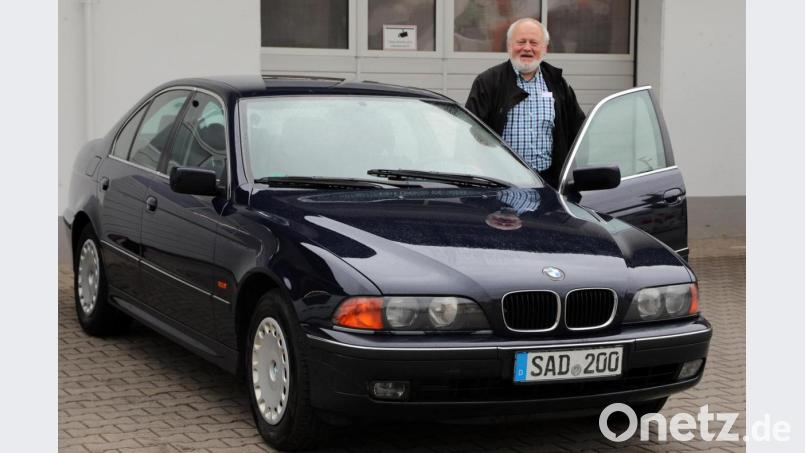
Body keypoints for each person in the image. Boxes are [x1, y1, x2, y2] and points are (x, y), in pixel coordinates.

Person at [465, 18, 586, 188]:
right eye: (521, 42)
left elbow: (578, 131)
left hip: (549, 187)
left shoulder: (557, 84)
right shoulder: (488, 82)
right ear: (509, 46)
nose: (527, 48)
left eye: (534, 43)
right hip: (501, 186)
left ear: (545, 48)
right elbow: (471, 135)